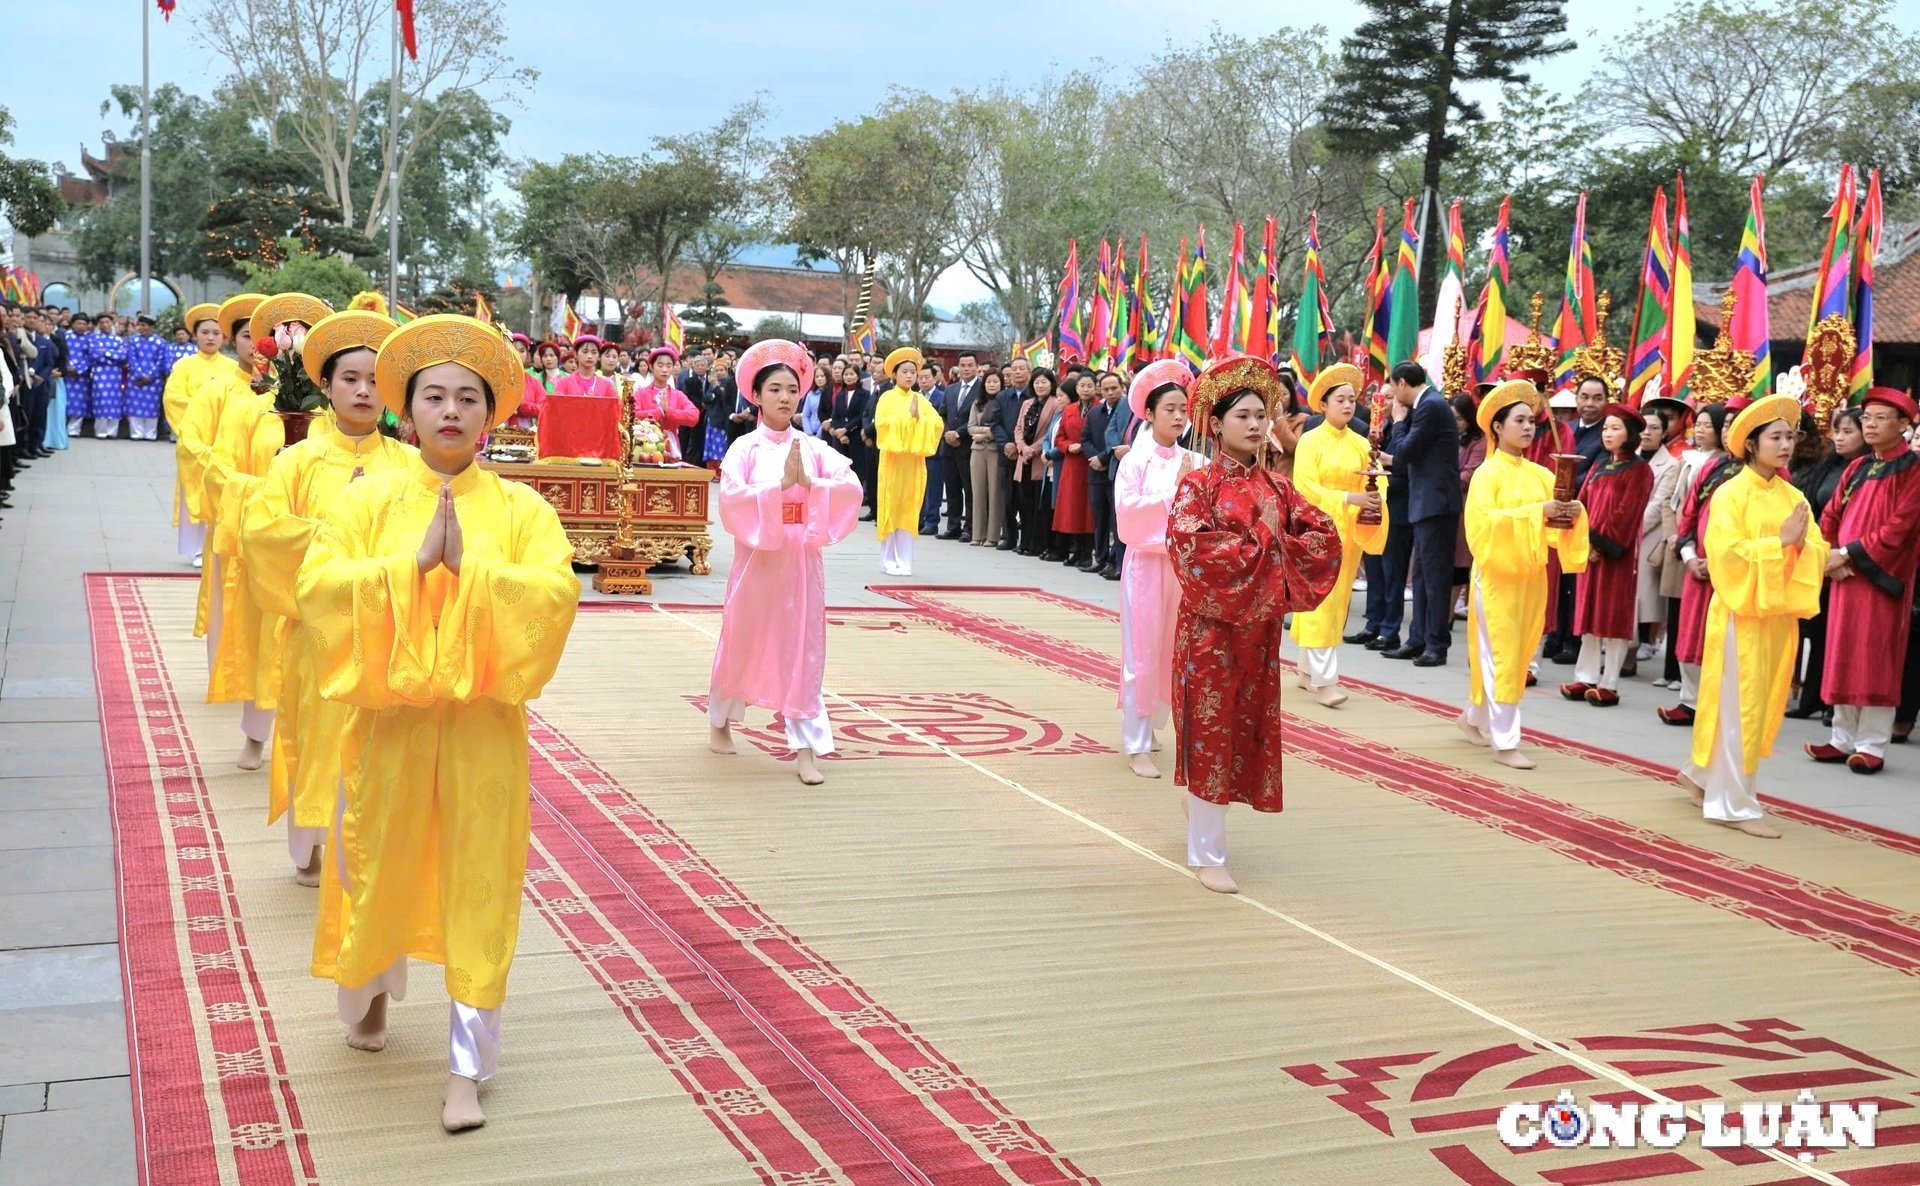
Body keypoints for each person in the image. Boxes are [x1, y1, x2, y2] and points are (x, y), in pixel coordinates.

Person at [295, 313, 579, 1133]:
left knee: (476, 885)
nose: (450, 411)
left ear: (490, 414)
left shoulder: (523, 508)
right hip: (390, 724)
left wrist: (476, 572)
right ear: (404, 409)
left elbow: (556, 597)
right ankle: (373, 997)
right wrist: (406, 568)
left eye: (466, 398)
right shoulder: (369, 499)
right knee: (379, 862)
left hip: (482, 730)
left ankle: (466, 1067)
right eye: (433, 396)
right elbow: (319, 589)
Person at [239, 308, 410, 885]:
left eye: (374, 381)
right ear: (326, 385)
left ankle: (373, 845)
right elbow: (263, 533)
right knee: (316, 737)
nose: (363, 391)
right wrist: (339, 542)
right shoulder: (298, 460)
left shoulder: (411, 465)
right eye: (350, 379)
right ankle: (310, 845)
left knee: (380, 742)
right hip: (318, 633)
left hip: (386, 630)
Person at [1168, 355, 1341, 894]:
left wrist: (1275, 544)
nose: (1255, 423)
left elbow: (1324, 540)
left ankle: (1204, 823)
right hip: (1209, 633)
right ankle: (1207, 851)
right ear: (1215, 424)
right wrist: (1266, 544)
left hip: (1258, 637)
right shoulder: (1197, 487)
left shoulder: (1278, 490)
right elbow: (1194, 552)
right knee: (1210, 731)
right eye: (1242, 415)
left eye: (1260, 414)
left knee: (1245, 732)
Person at [707, 340, 863, 786]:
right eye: (774, 389)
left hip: (799, 557)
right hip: (758, 556)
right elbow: (733, 500)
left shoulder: (813, 447)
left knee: (803, 649)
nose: (783, 397)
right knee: (743, 636)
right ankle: (720, 717)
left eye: (791, 389)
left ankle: (805, 749)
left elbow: (850, 486)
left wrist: (810, 482)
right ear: (756, 396)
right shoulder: (745, 449)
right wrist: (777, 488)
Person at [1680, 394, 1828, 838]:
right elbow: (1725, 555)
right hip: (1740, 614)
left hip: (1777, 615)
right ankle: (1732, 803)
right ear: (1751, 443)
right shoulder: (1730, 493)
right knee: (1739, 706)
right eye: (1775, 437)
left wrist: (1803, 546)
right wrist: (1779, 544)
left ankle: (1704, 776)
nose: (1785, 445)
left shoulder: (1793, 494)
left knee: (1758, 705)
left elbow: (1815, 547)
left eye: (1790, 436)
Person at [206, 294, 333, 771]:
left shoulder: (334, 416)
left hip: (324, 547)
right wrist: (270, 495)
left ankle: (317, 744)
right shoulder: (250, 410)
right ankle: (256, 737)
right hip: (271, 544)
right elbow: (220, 472)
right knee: (266, 644)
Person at [1458, 381, 1590, 770]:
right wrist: (1539, 513)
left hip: (1532, 577)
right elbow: (1482, 528)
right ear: (1497, 427)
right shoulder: (1487, 474)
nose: (1528, 428)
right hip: (1497, 578)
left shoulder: (1540, 474)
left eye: (1531, 421)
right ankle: (1506, 740)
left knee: (1519, 652)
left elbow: (1553, 528)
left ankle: (1473, 718)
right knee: (1502, 654)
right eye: (1519, 421)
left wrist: (1570, 515)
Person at [1805, 388, 1920, 773]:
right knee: (1842, 653)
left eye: (1881, 418)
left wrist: (1848, 555)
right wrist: (1829, 554)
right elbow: (1831, 515)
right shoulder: (1856, 467)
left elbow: (1899, 529)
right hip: (1844, 575)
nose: (1870, 424)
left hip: (1879, 578)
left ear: (1904, 425)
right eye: (1867, 417)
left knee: (1875, 658)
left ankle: (1872, 744)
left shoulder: (1912, 470)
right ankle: (1841, 738)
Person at [1113, 361, 1202, 778]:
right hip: (1146, 567)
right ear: (1149, 414)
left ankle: (1153, 727)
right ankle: (1135, 741)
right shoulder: (1136, 461)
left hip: (1182, 569)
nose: (1179, 416)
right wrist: (1175, 492)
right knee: (1142, 653)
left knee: (1174, 649)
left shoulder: (1197, 460)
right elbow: (1127, 516)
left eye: (1184, 408)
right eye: (1170, 408)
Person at [1289, 363, 1387, 707]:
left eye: (1351, 400)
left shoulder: (1362, 443)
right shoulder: (1310, 441)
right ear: (1324, 404)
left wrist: (1374, 498)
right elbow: (1305, 486)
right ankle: (1325, 680)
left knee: (1338, 599)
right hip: (1317, 531)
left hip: (1349, 530)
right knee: (1322, 602)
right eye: (1340, 400)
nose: (1348, 406)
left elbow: (1373, 481)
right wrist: (1348, 498)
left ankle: (1305, 670)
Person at [185, 295, 266, 656]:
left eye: (264, 336)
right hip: (229, 502)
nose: (256, 345)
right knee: (224, 589)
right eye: (248, 335)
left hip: (272, 510)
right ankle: (223, 667)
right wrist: (226, 479)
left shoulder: (290, 395)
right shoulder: (218, 388)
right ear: (234, 339)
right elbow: (193, 439)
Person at [1561, 403, 1654, 706]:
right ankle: (1585, 675)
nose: (1608, 433)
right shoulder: (1600, 466)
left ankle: (1609, 681)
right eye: (1606, 428)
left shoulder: (1640, 470)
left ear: (1631, 434)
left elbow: (1626, 514)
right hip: (1591, 552)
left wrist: (1600, 544)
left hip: (1616, 556)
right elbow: (1583, 502)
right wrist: (1582, 540)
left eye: (1616, 428)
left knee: (1613, 616)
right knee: (1588, 613)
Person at [1660, 402, 1739, 726]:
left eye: (1734, 424)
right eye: (1726, 425)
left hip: (1732, 572)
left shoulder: (1765, 475)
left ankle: (1717, 704)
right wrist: (1690, 555)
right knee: (1691, 633)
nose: (1727, 431)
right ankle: (1690, 701)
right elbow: (1689, 514)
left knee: (1724, 639)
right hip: (1698, 566)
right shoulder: (1711, 468)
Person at [1379, 360, 1462, 665]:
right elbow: (1406, 456)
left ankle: (1437, 644)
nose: (1393, 397)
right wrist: (1389, 458)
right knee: (1421, 576)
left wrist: (1399, 422)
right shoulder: (1427, 404)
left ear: (1402, 384)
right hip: (1425, 501)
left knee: (1435, 576)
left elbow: (1406, 450)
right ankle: (1418, 638)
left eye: (1393, 388)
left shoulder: (1430, 405)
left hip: (1436, 502)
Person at [1787, 406, 1866, 718]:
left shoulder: (1869, 469)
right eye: (1838, 430)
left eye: (1848, 431)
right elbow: (1820, 513)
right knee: (1818, 630)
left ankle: (1838, 704)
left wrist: (1843, 555)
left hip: (1853, 560)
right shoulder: (1827, 466)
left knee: (1843, 634)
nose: (1839, 437)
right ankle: (1813, 700)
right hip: (1823, 556)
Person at [165, 302, 245, 566]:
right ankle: (196, 548)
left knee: (221, 491)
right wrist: (204, 410)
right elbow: (174, 399)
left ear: (224, 337)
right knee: (194, 491)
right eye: (205, 332)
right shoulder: (184, 366)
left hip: (225, 440)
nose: (210, 337)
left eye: (216, 333)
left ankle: (219, 542)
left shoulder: (233, 367)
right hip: (195, 440)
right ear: (195, 335)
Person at [872, 348, 942, 576]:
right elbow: (882, 425)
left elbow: (937, 425)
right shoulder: (887, 398)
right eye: (905, 371)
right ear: (895, 375)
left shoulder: (920, 399)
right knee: (891, 505)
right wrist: (908, 418)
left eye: (913, 371)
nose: (910, 376)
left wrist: (919, 419)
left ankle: (905, 559)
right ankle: (887, 559)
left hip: (913, 462)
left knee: (909, 508)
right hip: (893, 461)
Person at [1014, 368, 1064, 556]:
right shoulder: (1027, 403)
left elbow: (1049, 433)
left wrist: (1032, 449)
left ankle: (1037, 544)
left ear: (1051, 384)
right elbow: (1018, 428)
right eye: (1037, 382)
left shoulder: (1055, 404)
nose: (1040, 385)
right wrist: (1021, 447)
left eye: (1044, 382)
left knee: (1038, 506)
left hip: (1040, 460)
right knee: (1024, 504)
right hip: (1024, 459)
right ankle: (1024, 542)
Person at [1052, 371, 1096, 566]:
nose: (1085, 389)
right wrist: (1068, 446)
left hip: (1089, 463)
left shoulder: (1099, 409)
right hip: (1072, 463)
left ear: (1096, 388)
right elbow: (1059, 437)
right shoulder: (1069, 410)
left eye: (1089, 385)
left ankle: (1087, 553)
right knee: (1072, 509)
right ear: (1076, 388)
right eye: (1082, 386)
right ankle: (1077, 551)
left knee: (1088, 511)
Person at [632, 345, 703, 461]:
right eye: (660, 365)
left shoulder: (678, 395)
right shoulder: (640, 393)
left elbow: (694, 416)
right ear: (651, 367)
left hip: (670, 445)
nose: (664, 370)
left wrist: (669, 412)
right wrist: (658, 412)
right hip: (643, 446)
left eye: (668, 365)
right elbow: (633, 415)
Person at [938, 351, 982, 539]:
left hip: (969, 446)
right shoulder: (951, 389)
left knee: (970, 489)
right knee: (953, 488)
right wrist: (947, 433)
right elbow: (943, 414)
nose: (966, 369)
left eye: (969, 365)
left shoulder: (982, 389)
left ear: (976, 367)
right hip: (948, 446)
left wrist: (959, 433)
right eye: (962, 365)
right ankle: (953, 526)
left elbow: (980, 418)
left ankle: (970, 528)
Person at [1084, 371, 1124, 575]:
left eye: (1114, 388)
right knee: (1099, 518)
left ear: (1121, 388)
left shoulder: (1127, 411)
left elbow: (1120, 440)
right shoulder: (1094, 412)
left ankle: (1116, 561)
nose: (1110, 393)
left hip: (1116, 470)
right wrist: (1094, 458)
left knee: (1116, 521)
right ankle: (1099, 558)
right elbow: (1085, 439)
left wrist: (1103, 458)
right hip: (1096, 472)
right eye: (1106, 389)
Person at [967, 368, 1005, 546]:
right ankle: (977, 534)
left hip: (995, 450)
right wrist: (987, 431)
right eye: (989, 381)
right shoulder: (977, 402)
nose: (992, 384)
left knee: (995, 493)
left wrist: (987, 434)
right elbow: (970, 427)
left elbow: (1003, 426)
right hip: (977, 450)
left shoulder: (1003, 401)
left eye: (995, 381)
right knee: (978, 492)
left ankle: (992, 536)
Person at [126, 314, 170, 440]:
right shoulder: (133, 340)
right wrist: (140, 375)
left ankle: (150, 434)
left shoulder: (161, 343)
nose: (140, 328)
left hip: (153, 381)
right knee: (135, 405)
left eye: (143, 325)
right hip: (136, 379)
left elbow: (161, 361)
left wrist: (150, 376)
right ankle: (136, 433)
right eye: (139, 325)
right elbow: (132, 359)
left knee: (152, 407)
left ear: (151, 327)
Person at [62, 311, 93, 440]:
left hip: (81, 377)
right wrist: (66, 367)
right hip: (65, 375)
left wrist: (79, 369)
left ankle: (74, 430)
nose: (81, 326)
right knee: (63, 402)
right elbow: (60, 353)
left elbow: (91, 357)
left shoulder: (90, 339)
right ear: (72, 324)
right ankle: (61, 429)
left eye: (84, 324)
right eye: (78, 323)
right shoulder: (64, 336)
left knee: (79, 403)